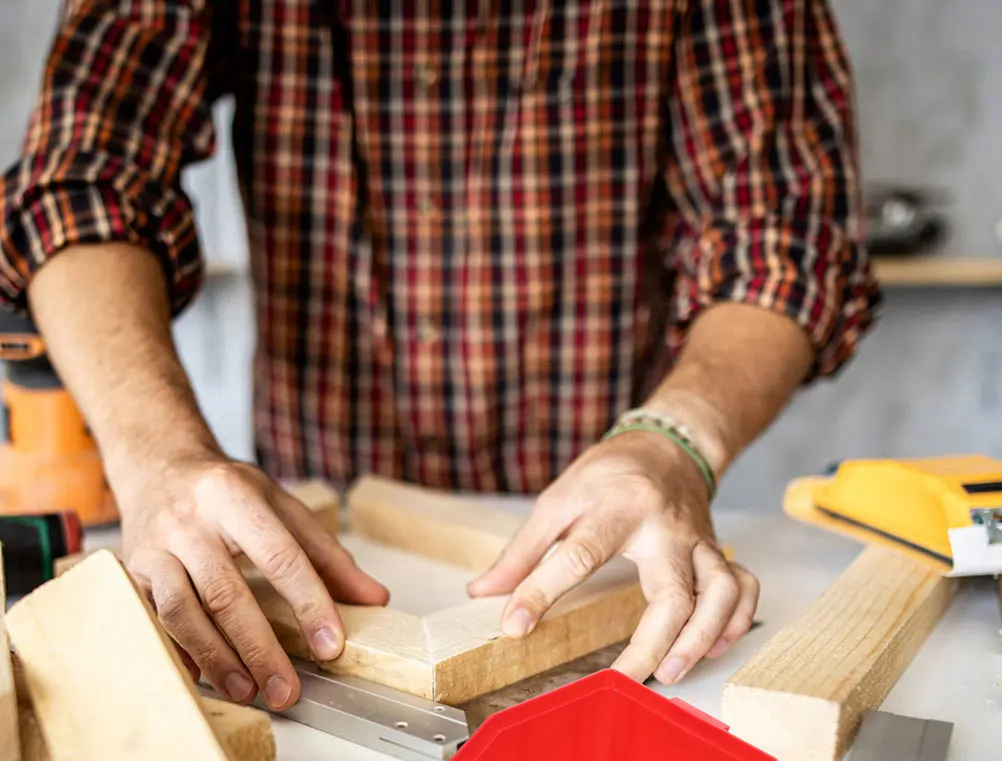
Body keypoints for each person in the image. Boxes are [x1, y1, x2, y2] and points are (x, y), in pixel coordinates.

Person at [0, 0, 880, 711]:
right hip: (320, 521)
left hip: (597, 535)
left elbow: (786, 238)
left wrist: (675, 439)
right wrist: (157, 457)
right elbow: (83, 177)